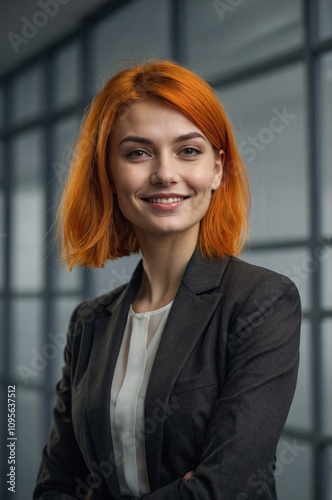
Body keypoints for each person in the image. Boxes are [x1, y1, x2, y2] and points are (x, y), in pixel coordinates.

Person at [33, 59, 301, 500]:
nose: (164, 173)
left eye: (188, 150)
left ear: (218, 170)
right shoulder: (89, 323)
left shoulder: (262, 301)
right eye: (137, 152)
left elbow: (223, 489)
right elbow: (55, 486)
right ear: (108, 173)